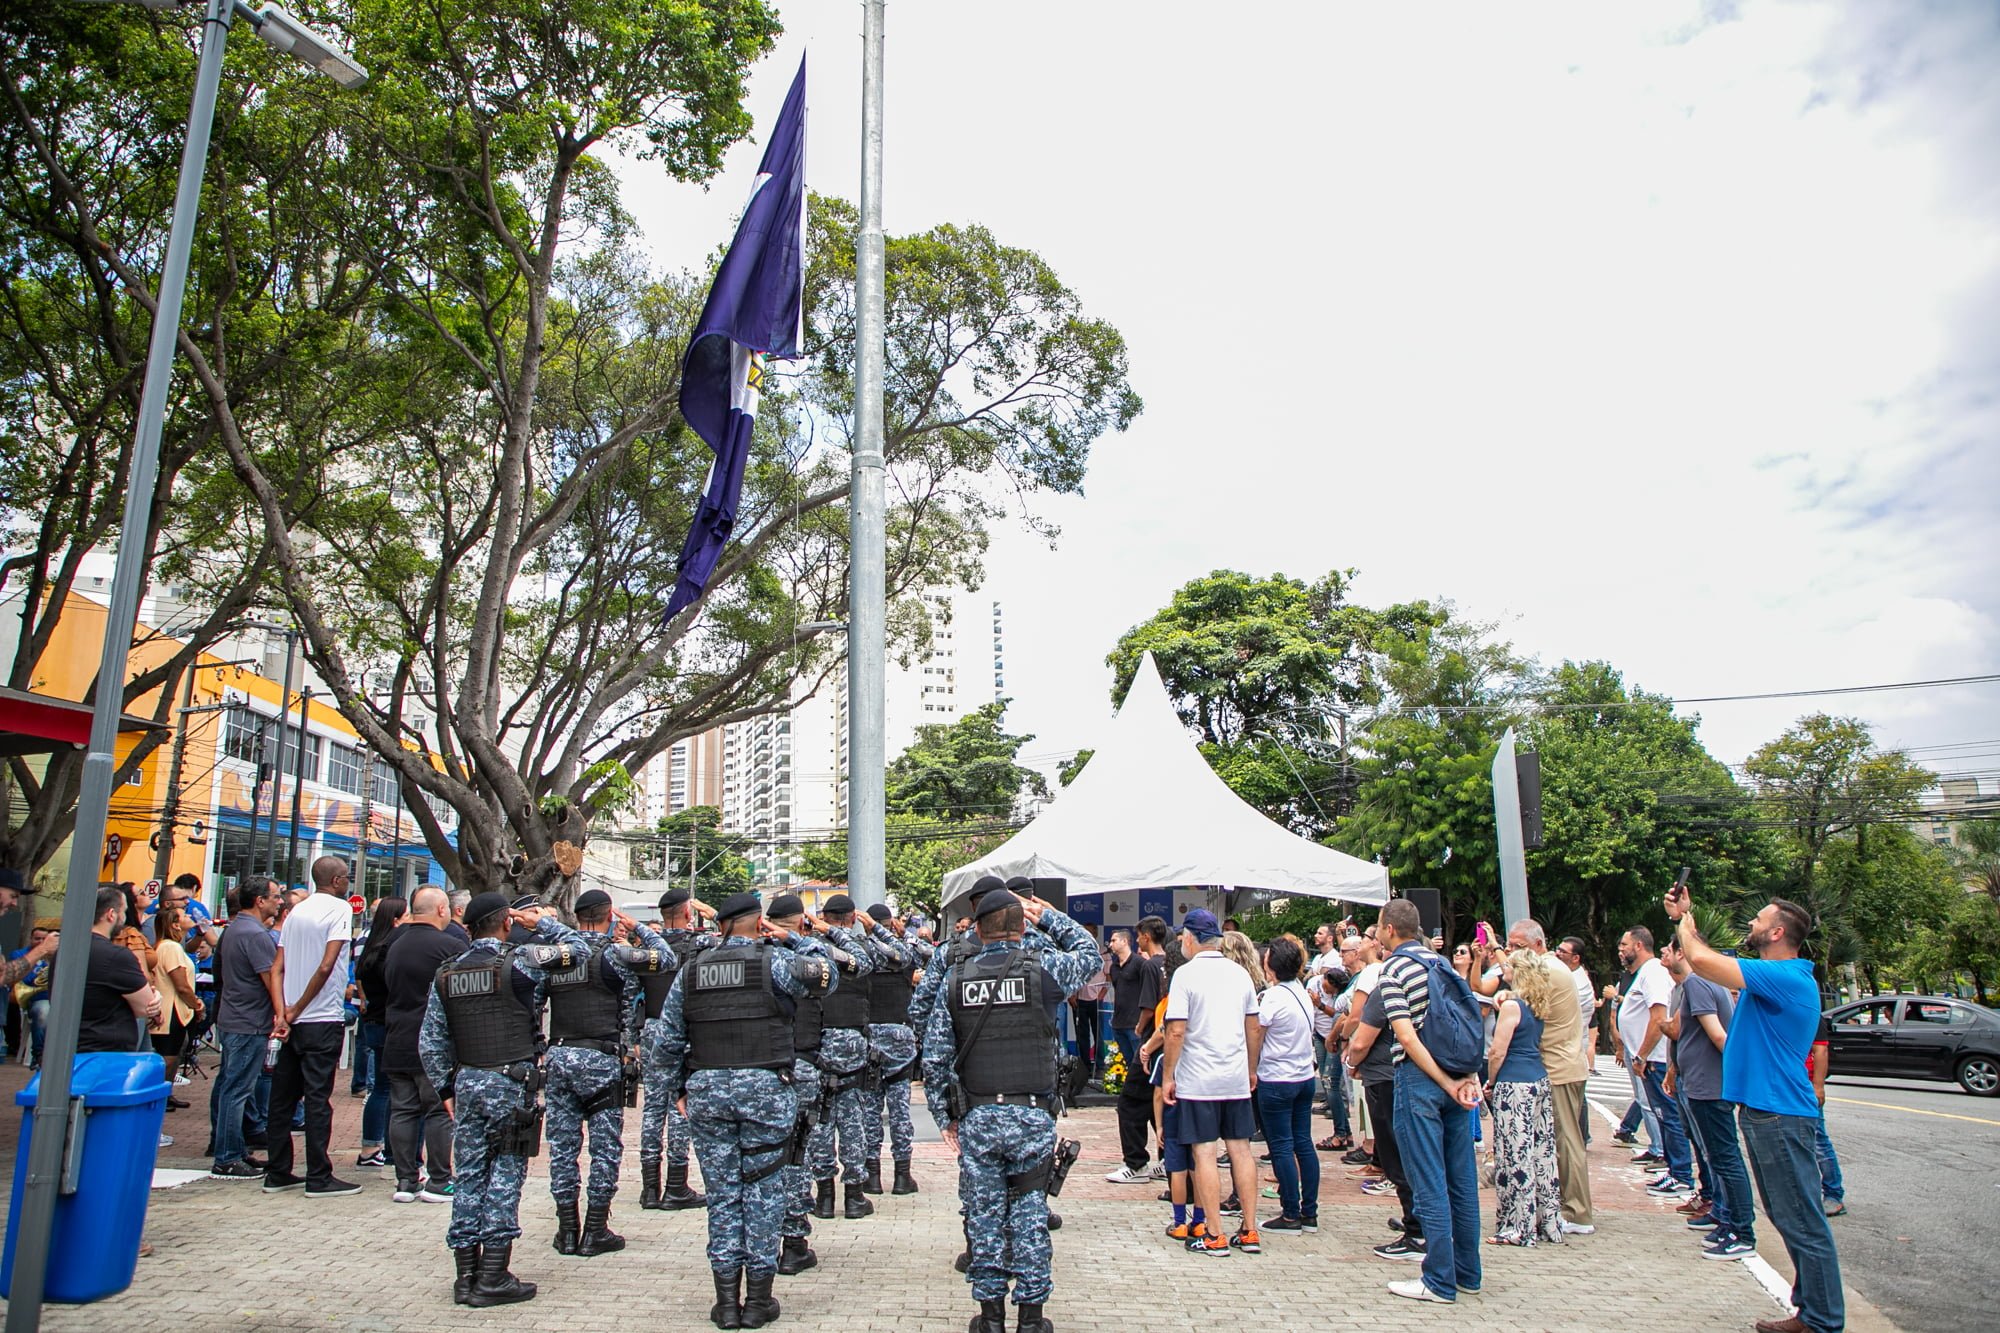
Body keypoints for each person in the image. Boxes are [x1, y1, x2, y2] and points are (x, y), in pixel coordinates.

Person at [652, 891, 835, 1330]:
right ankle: (757, 1301)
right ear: (759, 923)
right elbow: (827, 975)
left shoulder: (692, 970)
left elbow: (667, 1041)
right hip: (765, 1090)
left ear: (721, 926)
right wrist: (793, 938)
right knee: (764, 1192)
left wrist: (677, 1088)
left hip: (708, 1092)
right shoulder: (775, 962)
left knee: (722, 1196)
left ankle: (725, 1303)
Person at [1667, 881, 1843, 1333]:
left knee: (1802, 1219)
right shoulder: (1774, 975)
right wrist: (1687, 916)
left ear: (1779, 933)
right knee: (1789, 1217)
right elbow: (1709, 961)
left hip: (1780, 1115)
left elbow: (1703, 961)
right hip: (1769, 1112)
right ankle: (1810, 1312)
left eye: (1760, 919)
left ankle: (1823, 1321)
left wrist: (1683, 922)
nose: (1752, 923)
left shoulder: (1785, 976)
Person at [922, 881, 1097, 1333]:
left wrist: (946, 1119)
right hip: (1033, 1115)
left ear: (978, 930)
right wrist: (1047, 913)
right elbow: (1090, 954)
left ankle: (990, 1317)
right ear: (1023, 927)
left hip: (978, 1117)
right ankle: (1033, 1318)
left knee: (984, 1217)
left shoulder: (954, 980)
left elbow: (936, 1056)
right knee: (1029, 1216)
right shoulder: (1044, 970)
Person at [420, 893, 586, 1307]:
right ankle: (494, 1274)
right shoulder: (522, 961)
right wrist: (542, 921)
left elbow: (430, 1043)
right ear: (505, 923)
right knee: (506, 1176)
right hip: (510, 1085)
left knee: (470, 1177)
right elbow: (579, 951)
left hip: (468, 1083)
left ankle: (466, 1276)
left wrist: (446, 1090)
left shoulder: (447, 972)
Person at [541, 888, 665, 1256]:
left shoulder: (558, 957)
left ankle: (566, 1229)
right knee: (605, 1148)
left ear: (576, 917)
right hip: (604, 1058)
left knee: (562, 1149)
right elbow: (666, 958)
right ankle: (595, 1228)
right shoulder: (617, 955)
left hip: (561, 1055)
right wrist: (639, 928)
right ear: (610, 914)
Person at [1372, 899, 1484, 1304]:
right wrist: (1463, 1079)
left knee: (1428, 1181)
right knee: (1460, 1180)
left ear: (1388, 929)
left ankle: (1437, 1278)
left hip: (1420, 1080)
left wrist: (1441, 1080)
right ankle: (1467, 1271)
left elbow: (1405, 1035)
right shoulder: (1442, 964)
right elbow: (1464, 1022)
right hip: (1457, 1073)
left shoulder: (1395, 969)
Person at [1160, 908, 1261, 1257]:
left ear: (1189, 937)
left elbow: (1175, 1030)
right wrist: (1251, 1068)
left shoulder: (1185, 976)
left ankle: (1214, 1234)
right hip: (1234, 1076)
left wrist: (1168, 1075)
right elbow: (1253, 1027)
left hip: (1198, 1079)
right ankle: (1249, 1230)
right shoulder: (1240, 974)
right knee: (1241, 1150)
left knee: (1204, 1152)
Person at [800, 893, 901, 1222]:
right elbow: (901, 955)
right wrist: (873, 928)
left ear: (823, 916)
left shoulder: (808, 948)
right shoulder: (863, 949)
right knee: (852, 1118)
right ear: (851, 918)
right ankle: (855, 1195)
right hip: (853, 1040)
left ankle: (825, 1195)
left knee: (821, 1119)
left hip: (818, 1039)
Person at [266, 855, 361, 1197]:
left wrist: (283, 1012)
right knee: (318, 1098)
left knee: (283, 1098)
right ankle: (318, 1175)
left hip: (291, 1018)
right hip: (320, 1017)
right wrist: (298, 1008)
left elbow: (278, 967)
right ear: (336, 881)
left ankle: (278, 1171)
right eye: (346, 877)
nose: (348, 882)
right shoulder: (339, 910)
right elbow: (326, 965)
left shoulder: (295, 913)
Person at [1663, 935, 1757, 1260]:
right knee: (1719, 1157)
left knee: (1725, 1158)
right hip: (1704, 1081)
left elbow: (1717, 1035)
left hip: (1708, 1084)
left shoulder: (1698, 983)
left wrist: (1741, 1076)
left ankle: (1741, 1230)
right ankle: (1727, 1219)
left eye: (1672, 947)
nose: (1667, 953)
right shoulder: (1705, 982)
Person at [638, 885, 716, 1211]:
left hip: (651, 1028)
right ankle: (676, 1184)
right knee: (680, 1106)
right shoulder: (699, 944)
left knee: (652, 1108)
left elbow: (633, 997)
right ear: (688, 913)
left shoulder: (646, 948)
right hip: (682, 1030)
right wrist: (710, 915)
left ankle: (649, 1188)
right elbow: (727, 939)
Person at [383, 886, 460, 1204]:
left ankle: (405, 1180)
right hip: (433, 1042)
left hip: (397, 1034)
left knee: (402, 1110)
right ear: (443, 910)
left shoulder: (393, 942)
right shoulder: (450, 946)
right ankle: (440, 1180)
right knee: (437, 1111)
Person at [1482, 949, 1565, 1246]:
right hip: (1538, 1079)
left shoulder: (1512, 1006)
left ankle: (1518, 1225)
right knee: (1542, 1153)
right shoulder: (1537, 1004)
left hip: (1514, 1082)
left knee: (1514, 1153)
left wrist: (1491, 1080)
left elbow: (1497, 1050)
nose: (1505, 968)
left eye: (1510, 965)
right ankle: (1548, 1219)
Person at [209, 880, 284, 1177]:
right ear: (259, 900)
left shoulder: (234, 930)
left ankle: (233, 1149)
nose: (279, 902)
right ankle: (227, 1155)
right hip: (247, 1021)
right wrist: (281, 1015)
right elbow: (271, 979)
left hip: (236, 1018)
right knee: (237, 1090)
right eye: (275, 897)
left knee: (231, 1086)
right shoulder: (253, 935)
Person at [1618, 926, 1695, 1196]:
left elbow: (1658, 1017)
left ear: (1639, 946)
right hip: (1651, 1057)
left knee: (1669, 1116)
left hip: (1657, 1059)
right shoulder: (1645, 973)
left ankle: (1682, 1174)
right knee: (1664, 1116)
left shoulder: (1652, 973)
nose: (1621, 949)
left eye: (1625, 944)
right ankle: (1675, 1170)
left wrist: (1643, 1054)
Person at [1250, 935, 1319, 1232]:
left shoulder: (1274, 997)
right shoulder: (1301, 991)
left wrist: (1251, 1068)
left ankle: (1290, 1212)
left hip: (1277, 1078)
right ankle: (1310, 1212)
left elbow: (1256, 1033)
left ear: (1271, 965)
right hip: (1304, 1076)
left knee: (1281, 1146)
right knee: (1303, 1143)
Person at [861, 901, 921, 1197]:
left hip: (869, 1034)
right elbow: (924, 957)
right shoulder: (903, 951)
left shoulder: (862, 951)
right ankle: (902, 1175)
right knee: (899, 1110)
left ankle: (871, 1175)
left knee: (870, 1110)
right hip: (899, 1032)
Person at [66, 886, 163, 1051]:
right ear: (111, 914)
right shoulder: (117, 956)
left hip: (69, 1045)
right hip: (107, 1049)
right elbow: (145, 1006)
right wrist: (156, 997)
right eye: (124, 912)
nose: (125, 918)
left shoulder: (65, 952)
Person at [1107, 918, 1166, 1185]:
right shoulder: (1173, 963)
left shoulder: (1151, 965)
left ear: (1144, 937)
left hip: (1151, 1042)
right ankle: (1168, 1159)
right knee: (1157, 1102)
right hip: (1168, 1045)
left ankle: (1136, 1163)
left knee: (1129, 1103)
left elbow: (1149, 1006)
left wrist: (1141, 1031)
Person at [352, 896, 406, 1168]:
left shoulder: (370, 947)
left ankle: (371, 1145)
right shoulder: (391, 950)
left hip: (372, 1019)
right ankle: (379, 1147)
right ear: (396, 919)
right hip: (388, 1022)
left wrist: (364, 1000)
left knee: (380, 1088)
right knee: (390, 1089)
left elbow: (360, 981)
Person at [148, 898, 203, 1100]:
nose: (190, 916)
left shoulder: (169, 946)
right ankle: (160, 1096)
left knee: (173, 1053)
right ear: (175, 924)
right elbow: (181, 984)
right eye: (185, 915)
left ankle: (165, 1095)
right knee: (169, 1057)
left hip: (174, 1010)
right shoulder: (170, 948)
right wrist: (196, 1004)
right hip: (171, 1011)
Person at [1105, 927, 1146, 1078]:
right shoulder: (1114, 967)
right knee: (1129, 1064)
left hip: (1135, 1023)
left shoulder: (1139, 963)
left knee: (1140, 1064)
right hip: (1118, 1023)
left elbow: (1146, 991)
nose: (1110, 944)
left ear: (1125, 941)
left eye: (1114, 940)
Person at [1071, 923, 1107, 1077]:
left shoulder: (1104, 952)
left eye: (1091, 932)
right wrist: (1071, 994)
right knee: (1082, 1034)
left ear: (1096, 934)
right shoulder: (1076, 952)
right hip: (1079, 1000)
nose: (1088, 935)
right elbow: (1070, 975)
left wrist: (1101, 996)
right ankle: (1084, 1066)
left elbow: (1109, 977)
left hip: (1096, 999)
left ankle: (1100, 1066)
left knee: (1098, 1033)